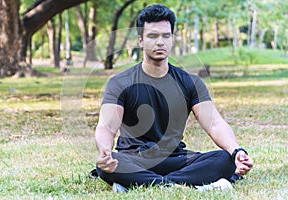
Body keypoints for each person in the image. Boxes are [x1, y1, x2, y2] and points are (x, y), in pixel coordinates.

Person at [94, 4, 254, 192]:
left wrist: (237, 151)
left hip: (177, 159)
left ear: (172, 40)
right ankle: (188, 186)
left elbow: (214, 124)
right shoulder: (121, 82)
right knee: (109, 165)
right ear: (140, 41)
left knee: (224, 159)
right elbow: (106, 126)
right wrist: (105, 153)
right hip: (136, 159)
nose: (160, 42)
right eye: (152, 36)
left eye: (166, 36)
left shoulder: (190, 82)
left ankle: (144, 183)